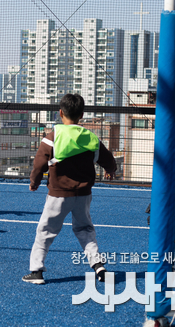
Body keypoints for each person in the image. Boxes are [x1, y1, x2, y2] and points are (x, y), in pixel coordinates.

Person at [22, 94, 117, 285]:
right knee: (85, 229)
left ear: (60, 113)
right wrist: (111, 170)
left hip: (58, 194)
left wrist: (34, 181)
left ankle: (37, 271)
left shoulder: (52, 138)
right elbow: (108, 160)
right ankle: (98, 266)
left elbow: (39, 164)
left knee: (46, 230)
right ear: (82, 115)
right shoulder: (91, 138)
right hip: (83, 194)